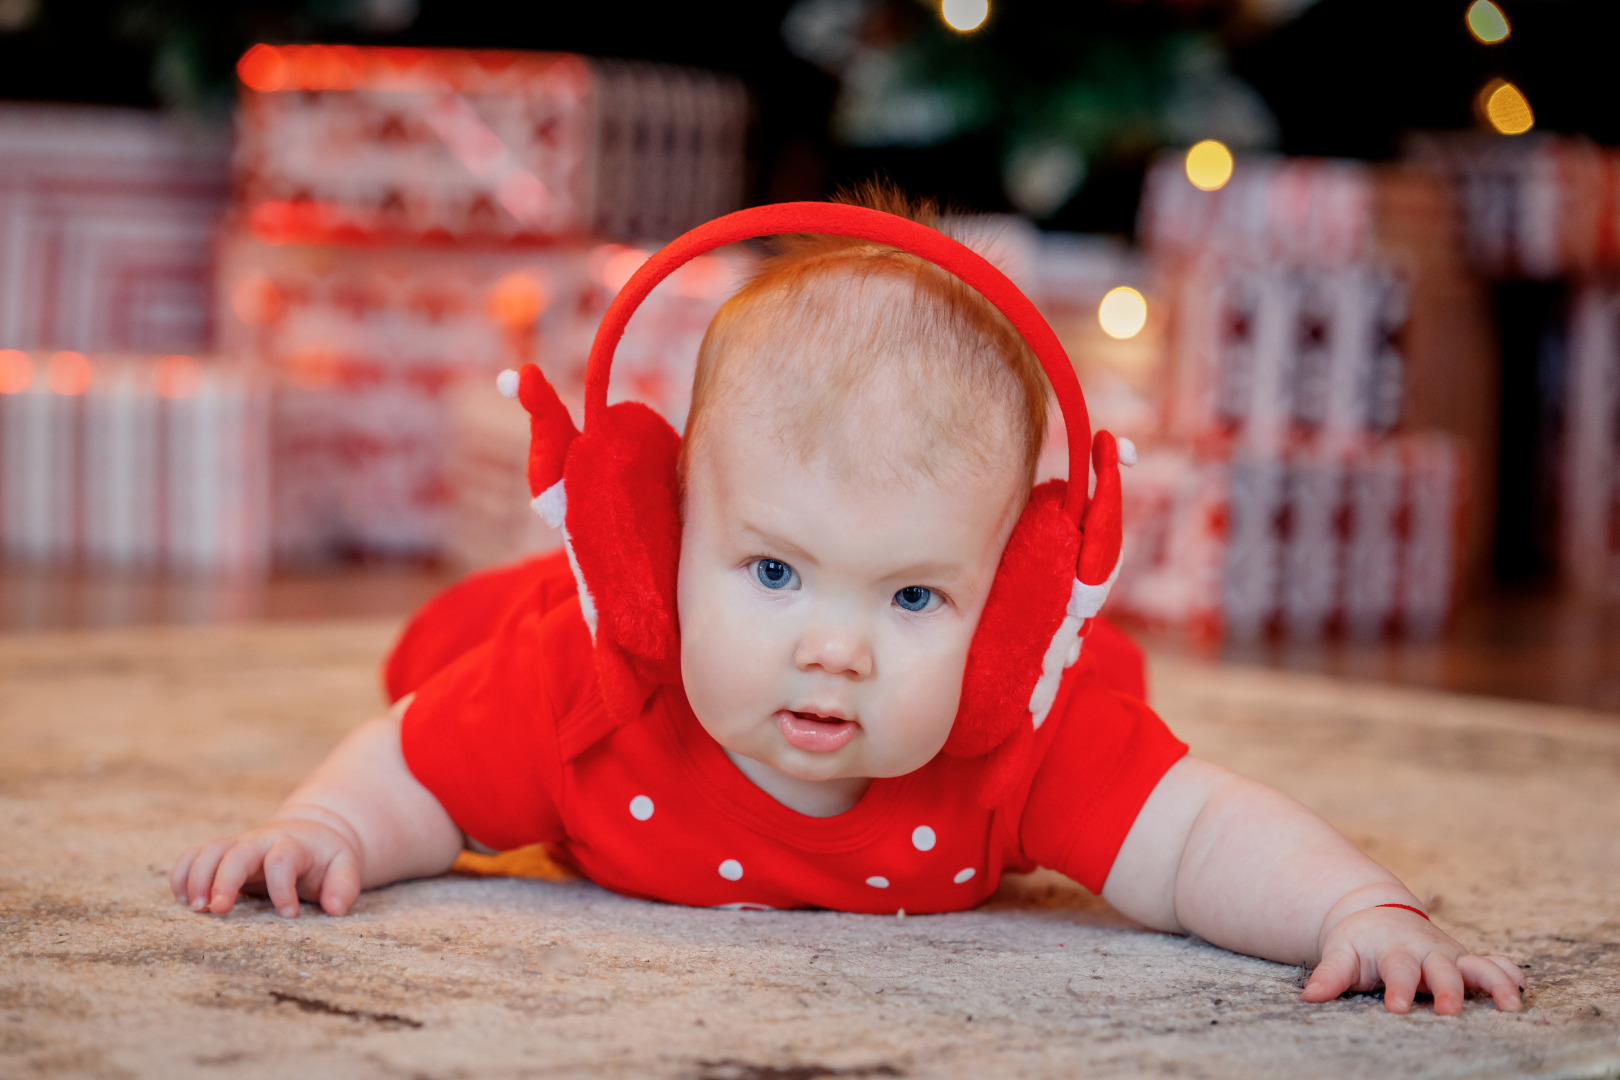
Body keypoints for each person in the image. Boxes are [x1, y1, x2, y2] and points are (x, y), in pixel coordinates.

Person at [171, 188, 1524, 1017]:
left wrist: (1364, 912)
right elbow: (421, 772)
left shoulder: (1014, 737)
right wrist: (322, 826)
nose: (834, 647)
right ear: (663, 545)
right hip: (558, 634)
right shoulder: (595, 683)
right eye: (771, 570)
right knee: (449, 652)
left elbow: (1201, 840)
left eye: (919, 596)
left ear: (1010, 615)